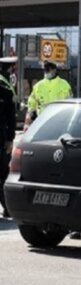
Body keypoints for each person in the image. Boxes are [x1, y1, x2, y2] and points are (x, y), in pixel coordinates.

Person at [25, 62, 72, 127]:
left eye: (49, 69)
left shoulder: (65, 85)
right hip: (42, 122)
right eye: (45, 69)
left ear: (55, 70)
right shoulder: (38, 86)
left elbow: (70, 104)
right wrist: (27, 121)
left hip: (60, 122)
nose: (47, 71)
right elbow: (31, 106)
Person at [0, 61, 17, 215]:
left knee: (3, 173)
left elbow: (11, 119)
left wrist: (10, 139)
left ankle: (8, 207)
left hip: (2, 141)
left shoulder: (5, 92)